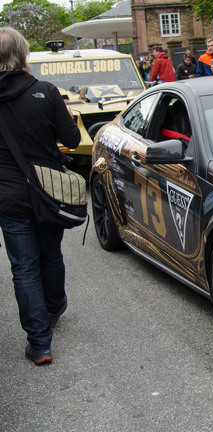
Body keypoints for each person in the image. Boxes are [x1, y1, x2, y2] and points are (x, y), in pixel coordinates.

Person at [0, 26, 81, 365]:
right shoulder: (45, 92)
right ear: (23, 55)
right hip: (47, 191)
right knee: (50, 254)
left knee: (24, 267)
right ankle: (53, 307)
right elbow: (73, 140)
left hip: (8, 197)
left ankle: (39, 343)